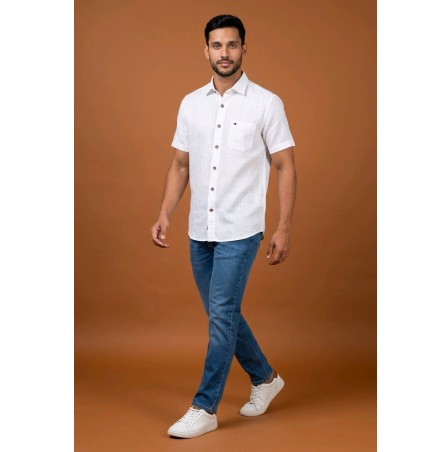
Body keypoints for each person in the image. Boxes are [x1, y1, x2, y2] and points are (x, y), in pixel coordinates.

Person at [151, 14, 297, 439]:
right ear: (206, 50)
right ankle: (265, 378)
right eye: (217, 45)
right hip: (200, 229)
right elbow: (180, 164)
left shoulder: (266, 103)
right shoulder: (190, 104)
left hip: (241, 228)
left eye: (232, 45)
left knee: (220, 317)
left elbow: (285, 165)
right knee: (222, 314)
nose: (225, 53)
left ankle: (205, 407)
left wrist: (284, 227)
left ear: (244, 49)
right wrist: (164, 213)